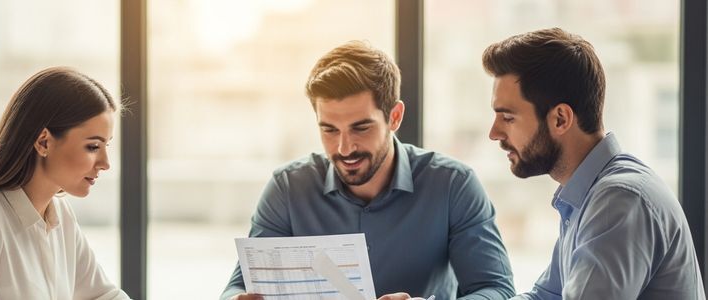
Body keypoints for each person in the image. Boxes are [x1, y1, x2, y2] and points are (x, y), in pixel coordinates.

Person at [221, 41, 515, 300]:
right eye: (329, 130)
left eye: (361, 128)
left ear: (395, 117)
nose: (344, 147)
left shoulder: (453, 185)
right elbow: (238, 286)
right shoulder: (287, 188)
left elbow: (497, 290)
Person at [482, 28, 706, 299]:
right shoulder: (587, 197)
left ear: (561, 119)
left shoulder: (618, 201)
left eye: (507, 118)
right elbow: (544, 296)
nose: (494, 133)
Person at [0, 67, 131, 300]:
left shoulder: (60, 215)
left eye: (107, 146)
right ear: (43, 142)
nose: (105, 163)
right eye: (93, 147)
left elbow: (105, 295)